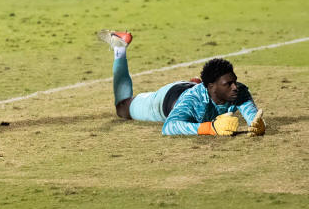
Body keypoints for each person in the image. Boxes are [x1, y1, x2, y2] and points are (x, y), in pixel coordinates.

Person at [98, 30, 266, 136]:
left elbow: (252, 117)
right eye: (228, 84)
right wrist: (210, 128)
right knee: (122, 108)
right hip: (164, 101)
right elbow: (169, 127)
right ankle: (120, 47)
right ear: (212, 86)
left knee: (196, 101)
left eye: (234, 81)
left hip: (194, 90)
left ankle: (194, 83)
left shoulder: (238, 91)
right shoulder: (192, 102)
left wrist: (258, 126)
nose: (235, 87)